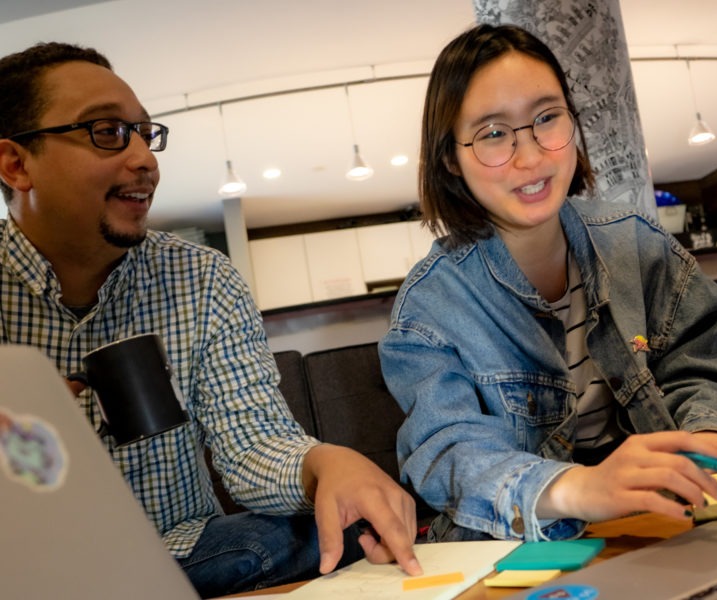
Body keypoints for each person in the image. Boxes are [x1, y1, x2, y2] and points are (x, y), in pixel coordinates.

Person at [0, 42, 421, 598]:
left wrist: (326, 462)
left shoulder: (202, 279)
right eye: (106, 132)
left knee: (327, 535)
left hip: (189, 554)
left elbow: (251, 445)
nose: (145, 160)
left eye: (145, 134)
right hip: (27, 571)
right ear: (16, 164)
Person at [378, 24, 717, 544]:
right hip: (524, 545)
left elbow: (702, 365)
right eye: (493, 133)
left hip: (663, 521)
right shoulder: (430, 308)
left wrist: (710, 435)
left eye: (546, 118)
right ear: (451, 158)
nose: (532, 157)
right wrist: (580, 488)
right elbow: (451, 453)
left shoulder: (635, 243)